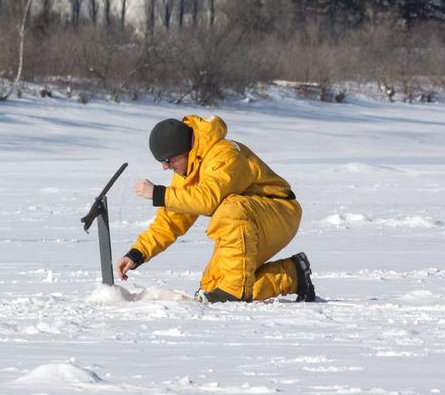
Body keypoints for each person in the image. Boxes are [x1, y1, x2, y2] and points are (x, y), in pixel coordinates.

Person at [114, 115, 316, 303]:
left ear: (185, 149)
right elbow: (172, 219)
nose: (165, 167)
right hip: (249, 222)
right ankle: (292, 275)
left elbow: (208, 199)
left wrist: (159, 193)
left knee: (230, 210)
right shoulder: (189, 168)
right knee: (211, 289)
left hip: (279, 212)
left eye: (168, 160)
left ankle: (235, 292)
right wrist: (137, 253)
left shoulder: (224, 154)